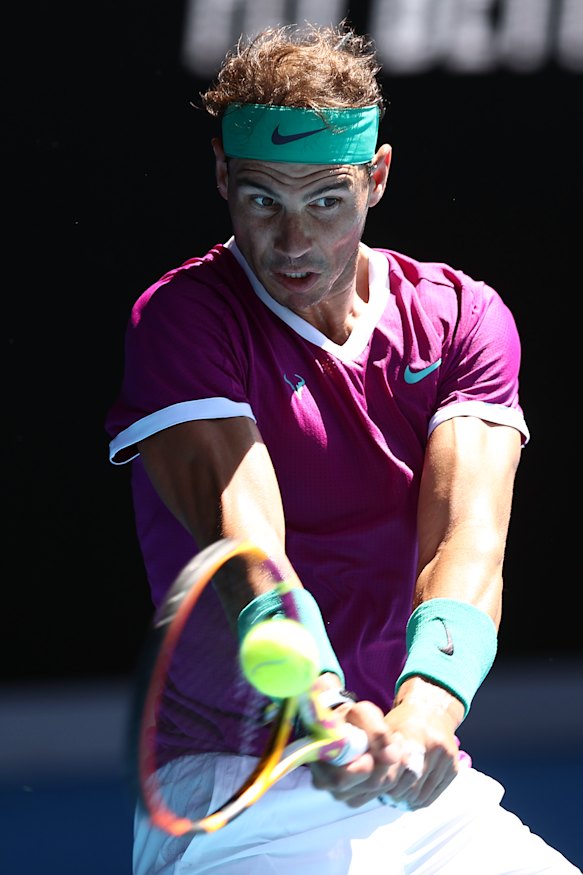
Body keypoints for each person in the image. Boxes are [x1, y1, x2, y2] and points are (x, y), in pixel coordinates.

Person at [105, 20, 581, 875]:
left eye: (327, 199)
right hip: (238, 782)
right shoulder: (182, 318)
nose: (294, 243)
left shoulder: (463, 318)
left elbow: (465, 542)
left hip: (414, 778)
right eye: (262, 200)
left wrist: (426, 711)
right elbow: (249, 546)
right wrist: (320, 697)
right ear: (221, 177)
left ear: (377, 176)